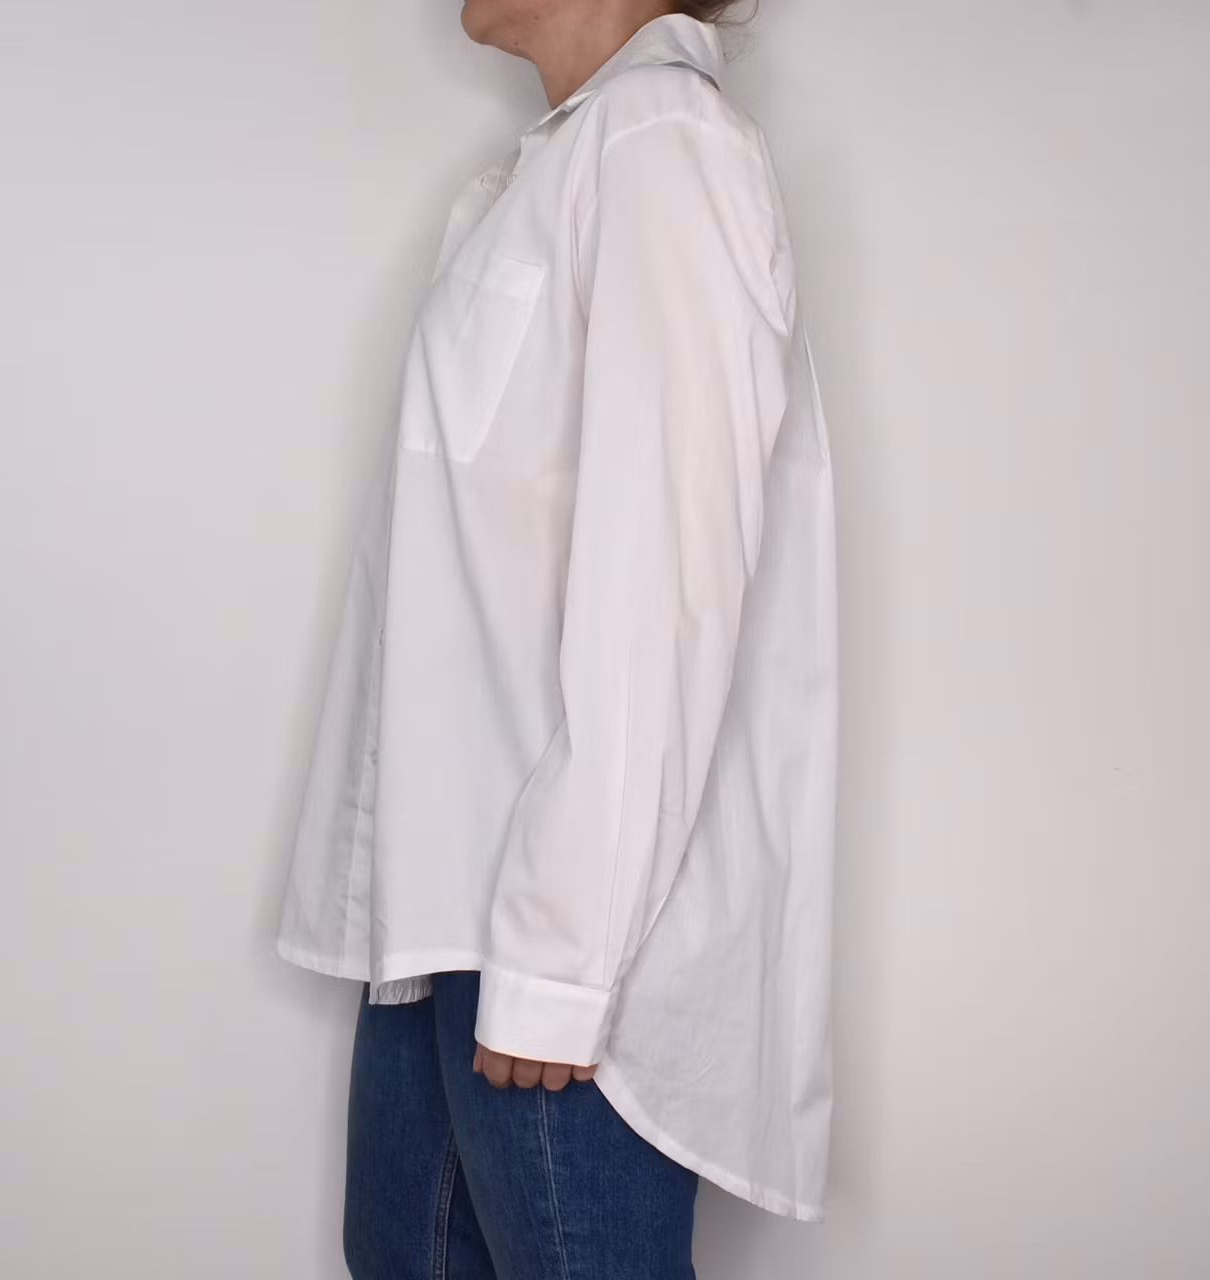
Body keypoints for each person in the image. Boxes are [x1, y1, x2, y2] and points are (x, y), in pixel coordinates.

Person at [274, 1, 839, 1274]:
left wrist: (561, 960)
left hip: (555, 932)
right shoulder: (564, 163)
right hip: (444, 913)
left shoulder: (662, 143)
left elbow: (665, 587)